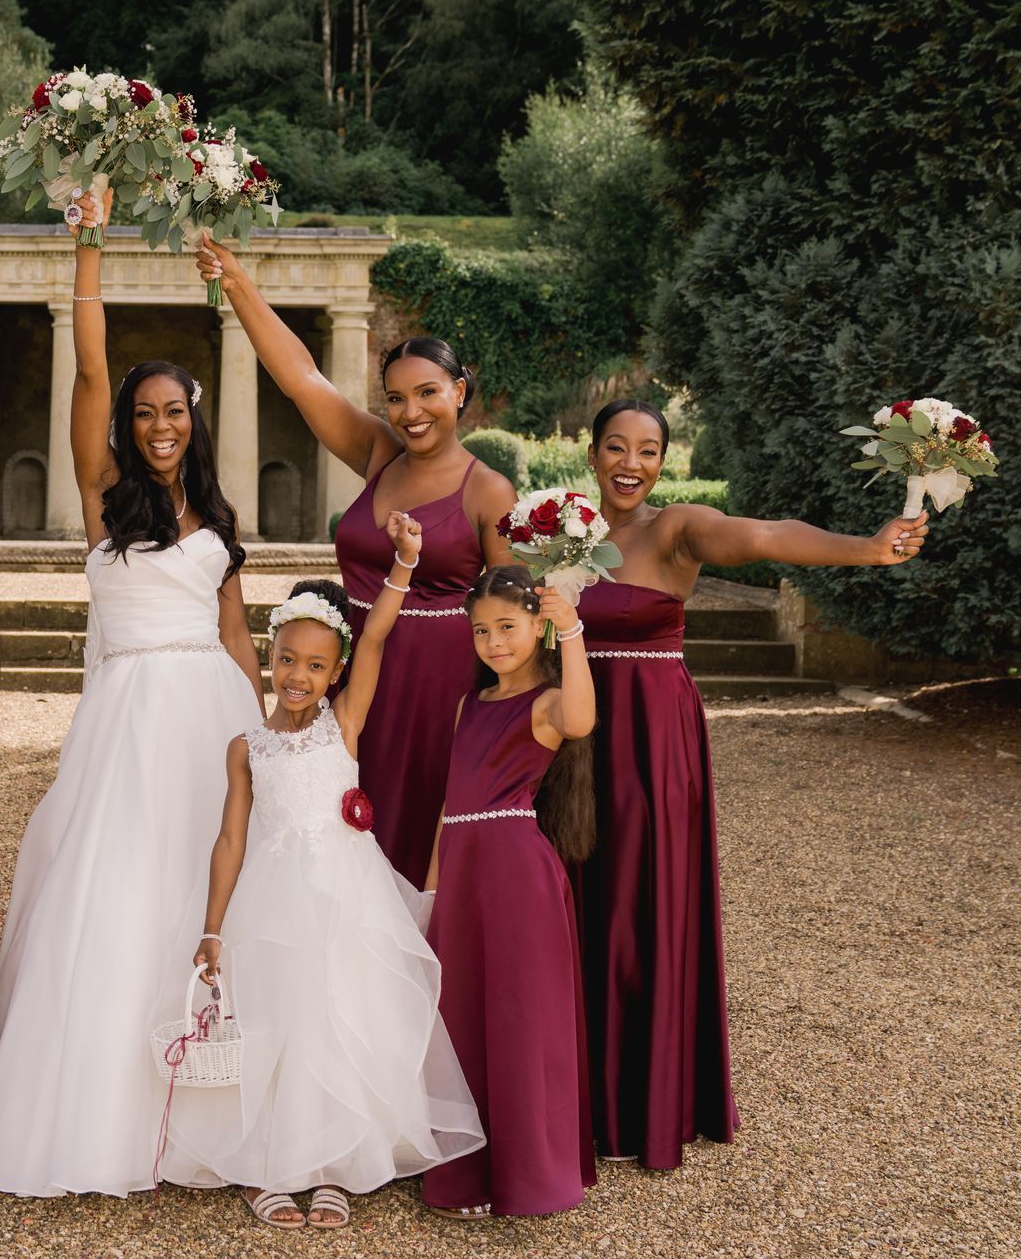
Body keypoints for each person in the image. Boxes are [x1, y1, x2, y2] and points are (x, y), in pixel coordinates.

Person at [0, 190, 264, 1197]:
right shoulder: (106, 494)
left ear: (196, 419)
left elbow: (236, 632)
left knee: (213, 888)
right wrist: (87, 243)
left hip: (213, 712)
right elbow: (88, 368)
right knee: (119, 888)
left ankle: (216, 1105)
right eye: (146, 414)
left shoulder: (221, 516)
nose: (157, 426)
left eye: (174, 411)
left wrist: (266, 733)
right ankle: (105, 1113)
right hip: (128, 714)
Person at [573, 398, 929, 1168]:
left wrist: (867, 549)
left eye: (648, 451)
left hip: (649, 738)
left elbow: (771, 536)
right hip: (567, 740)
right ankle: (573, 1097)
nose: (631, 464)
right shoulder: (558, 532)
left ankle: (643, 1103)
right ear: (591, 452)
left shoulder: (675, 530)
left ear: (664, 461)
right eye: (615, 447)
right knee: (576, 904)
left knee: (641, 906)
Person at [164, 530, 485, 1231]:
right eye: (286, 661)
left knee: (340, 1021)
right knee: (278, 1022)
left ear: (336, 672)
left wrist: (404, 564)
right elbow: (229, 840)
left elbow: (376, 639)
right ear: (271, 657)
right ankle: (269, 1167)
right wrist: (213, 927)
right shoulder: (247, 748)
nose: (298, 677)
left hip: (345, 898)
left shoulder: (343, 725)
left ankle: (338, 1164)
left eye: (315, 665)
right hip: (271, 902)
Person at [198, 239, 515, 887]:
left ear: (459, 391)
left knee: (428, 843)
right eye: (395, 398)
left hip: (442, 687)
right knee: (338, 837)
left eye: (427, 393)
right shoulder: (378, 452)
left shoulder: (489, 490)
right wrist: (237, 283)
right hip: (355, 683)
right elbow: (302, 378)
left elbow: (514, 614)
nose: (410, 412)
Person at [422, 565, 598, 1218]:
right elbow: (449, 803)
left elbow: (581, 718)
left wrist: (572, 628)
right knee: (460, 1018)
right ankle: (467, 1173)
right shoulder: (471, 704)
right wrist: (433, 895)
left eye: (508, 627)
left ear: (537, 627)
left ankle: (527, 1177)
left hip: (517, 877)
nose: (495, 642)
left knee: (520, 1022)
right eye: (482, 631)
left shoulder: (549, 702)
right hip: (464, 880)